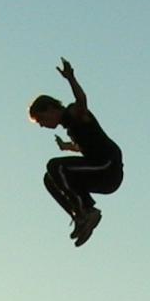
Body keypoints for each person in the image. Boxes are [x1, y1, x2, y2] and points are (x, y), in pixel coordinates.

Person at [28, 57, 124, 247]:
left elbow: (82, 101)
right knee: (50, 179)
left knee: (55, 166)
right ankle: (81, 217)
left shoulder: (73, 113)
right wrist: (67, 147)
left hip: (108, 166)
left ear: (50, 109)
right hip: (100, 172)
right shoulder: (71, 128)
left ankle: (87, 211)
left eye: (41, 120)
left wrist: (71, 78)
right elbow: (85, 147)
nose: (42, 125)